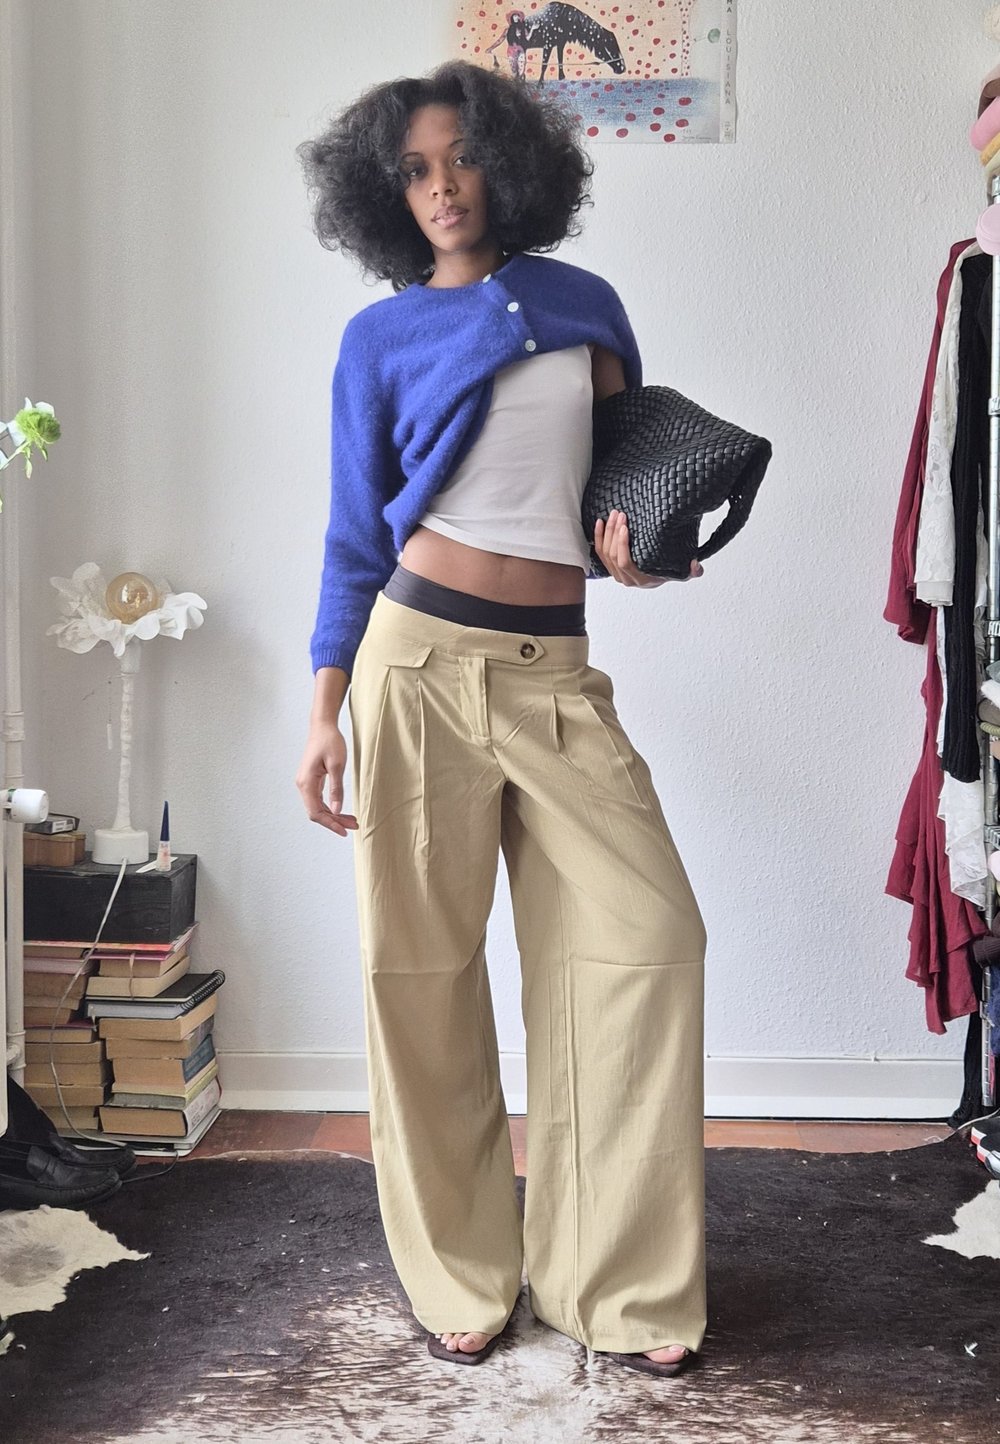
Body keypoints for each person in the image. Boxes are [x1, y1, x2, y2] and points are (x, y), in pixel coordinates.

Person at [295, 58, 708, 1378]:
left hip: (554, 676)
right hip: (413, 664)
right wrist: (323, 712)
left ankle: (616, 1284)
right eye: (414, 171)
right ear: (384, 192)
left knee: (648, 941)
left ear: (510, 162)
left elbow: (621, 494)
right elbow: (353, 539)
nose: (442, 189)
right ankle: (461, 1271)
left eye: (461, 158)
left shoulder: (585, 304)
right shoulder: (378, 339)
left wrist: (644, 555)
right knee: (418, 973)